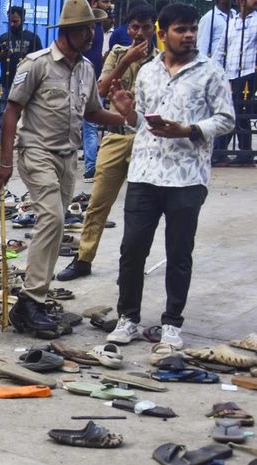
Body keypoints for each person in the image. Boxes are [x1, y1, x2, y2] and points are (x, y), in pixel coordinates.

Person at [106, 3, 235, 348]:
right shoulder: (147, 71)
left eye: (192, 28)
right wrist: (127, 112)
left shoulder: (212, 72)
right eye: (181, 29)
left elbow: (226, 119)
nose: (189, 35)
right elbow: (141, 124)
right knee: (132, 249)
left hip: (186, 178)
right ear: (162, 34)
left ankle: (172, 324)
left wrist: (188, 129)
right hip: (145, 173)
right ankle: (128, 318)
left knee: (179, 253)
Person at [0, 0, 124, 337]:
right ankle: (30, 300)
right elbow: (11, 110)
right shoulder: (36, 64)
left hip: (67, 157)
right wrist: (5, 161)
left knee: (55, 224)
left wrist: (128, 119)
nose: (93, 34)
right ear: (70, 32)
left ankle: (33, 300)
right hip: (36, 151)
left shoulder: (86, 69)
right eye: (88, 28)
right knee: (52, 217)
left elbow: (93, 113)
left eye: (95, 28)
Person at [57, 4, 160, 282]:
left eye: (146, 27)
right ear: (128, 28)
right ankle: (83, 259)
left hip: (147, 141)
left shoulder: (161, 61)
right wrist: (126, 60)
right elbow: (100, 90)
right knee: (98, 203)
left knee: (140, 209)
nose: (139, 33)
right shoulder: (116, 54)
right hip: (116, 137)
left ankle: (132, 265)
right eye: (134, 27)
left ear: (154, 29)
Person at [212, 0, 257, 166]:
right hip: (230, 73)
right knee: (230, 110)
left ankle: (229, 152)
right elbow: (220, 50)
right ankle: (229, 152)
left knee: (240, 109)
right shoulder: (232, 23)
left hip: (248, 73)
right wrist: (215, 71)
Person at [81, 0, 113, 182]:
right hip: (90, 76)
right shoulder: (95, 25)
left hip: (92, 76)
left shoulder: (97, 25)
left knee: (89, 124)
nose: (109, 5)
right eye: (105, 1)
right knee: (89, 124)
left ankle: (91, 166)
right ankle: (91, 164)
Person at [0, 6, 43, 108]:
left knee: (25, 115)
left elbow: (41, 61)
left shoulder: (32, 38)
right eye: (10, 21)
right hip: (7, 82)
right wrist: (2, 55)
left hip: (26, 83)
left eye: (15, 21)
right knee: (5, 113)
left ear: (23, 20)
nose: (12, 24)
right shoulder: (3, 38)